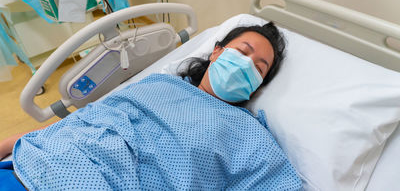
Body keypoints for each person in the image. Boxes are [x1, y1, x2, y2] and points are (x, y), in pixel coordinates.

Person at [0, 22, 302, 190]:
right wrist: (13, 142)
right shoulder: (159, 84)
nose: (246, 64)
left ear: (257, 85)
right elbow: (91, 116)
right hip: (41, 159)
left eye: (259, 67)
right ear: (216, 53)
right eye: (242, 51)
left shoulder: (251, 138)